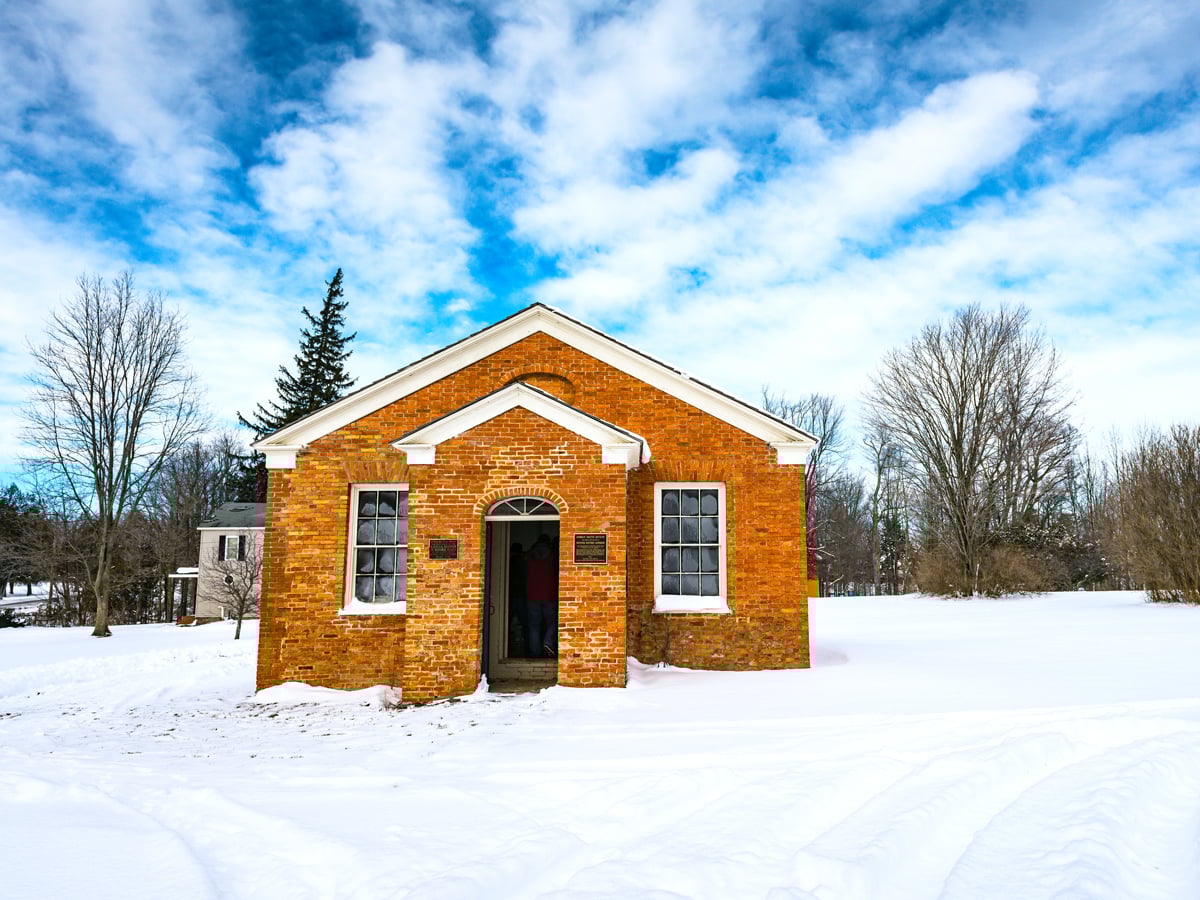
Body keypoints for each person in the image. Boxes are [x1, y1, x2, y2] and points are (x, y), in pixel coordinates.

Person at [525, 533, 558, 657]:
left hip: (532, 595)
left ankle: (535, 654)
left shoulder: (529, 555)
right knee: (553, 622)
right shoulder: (553, 555)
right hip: (550, 595)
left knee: (534, 626)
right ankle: (548, 642)